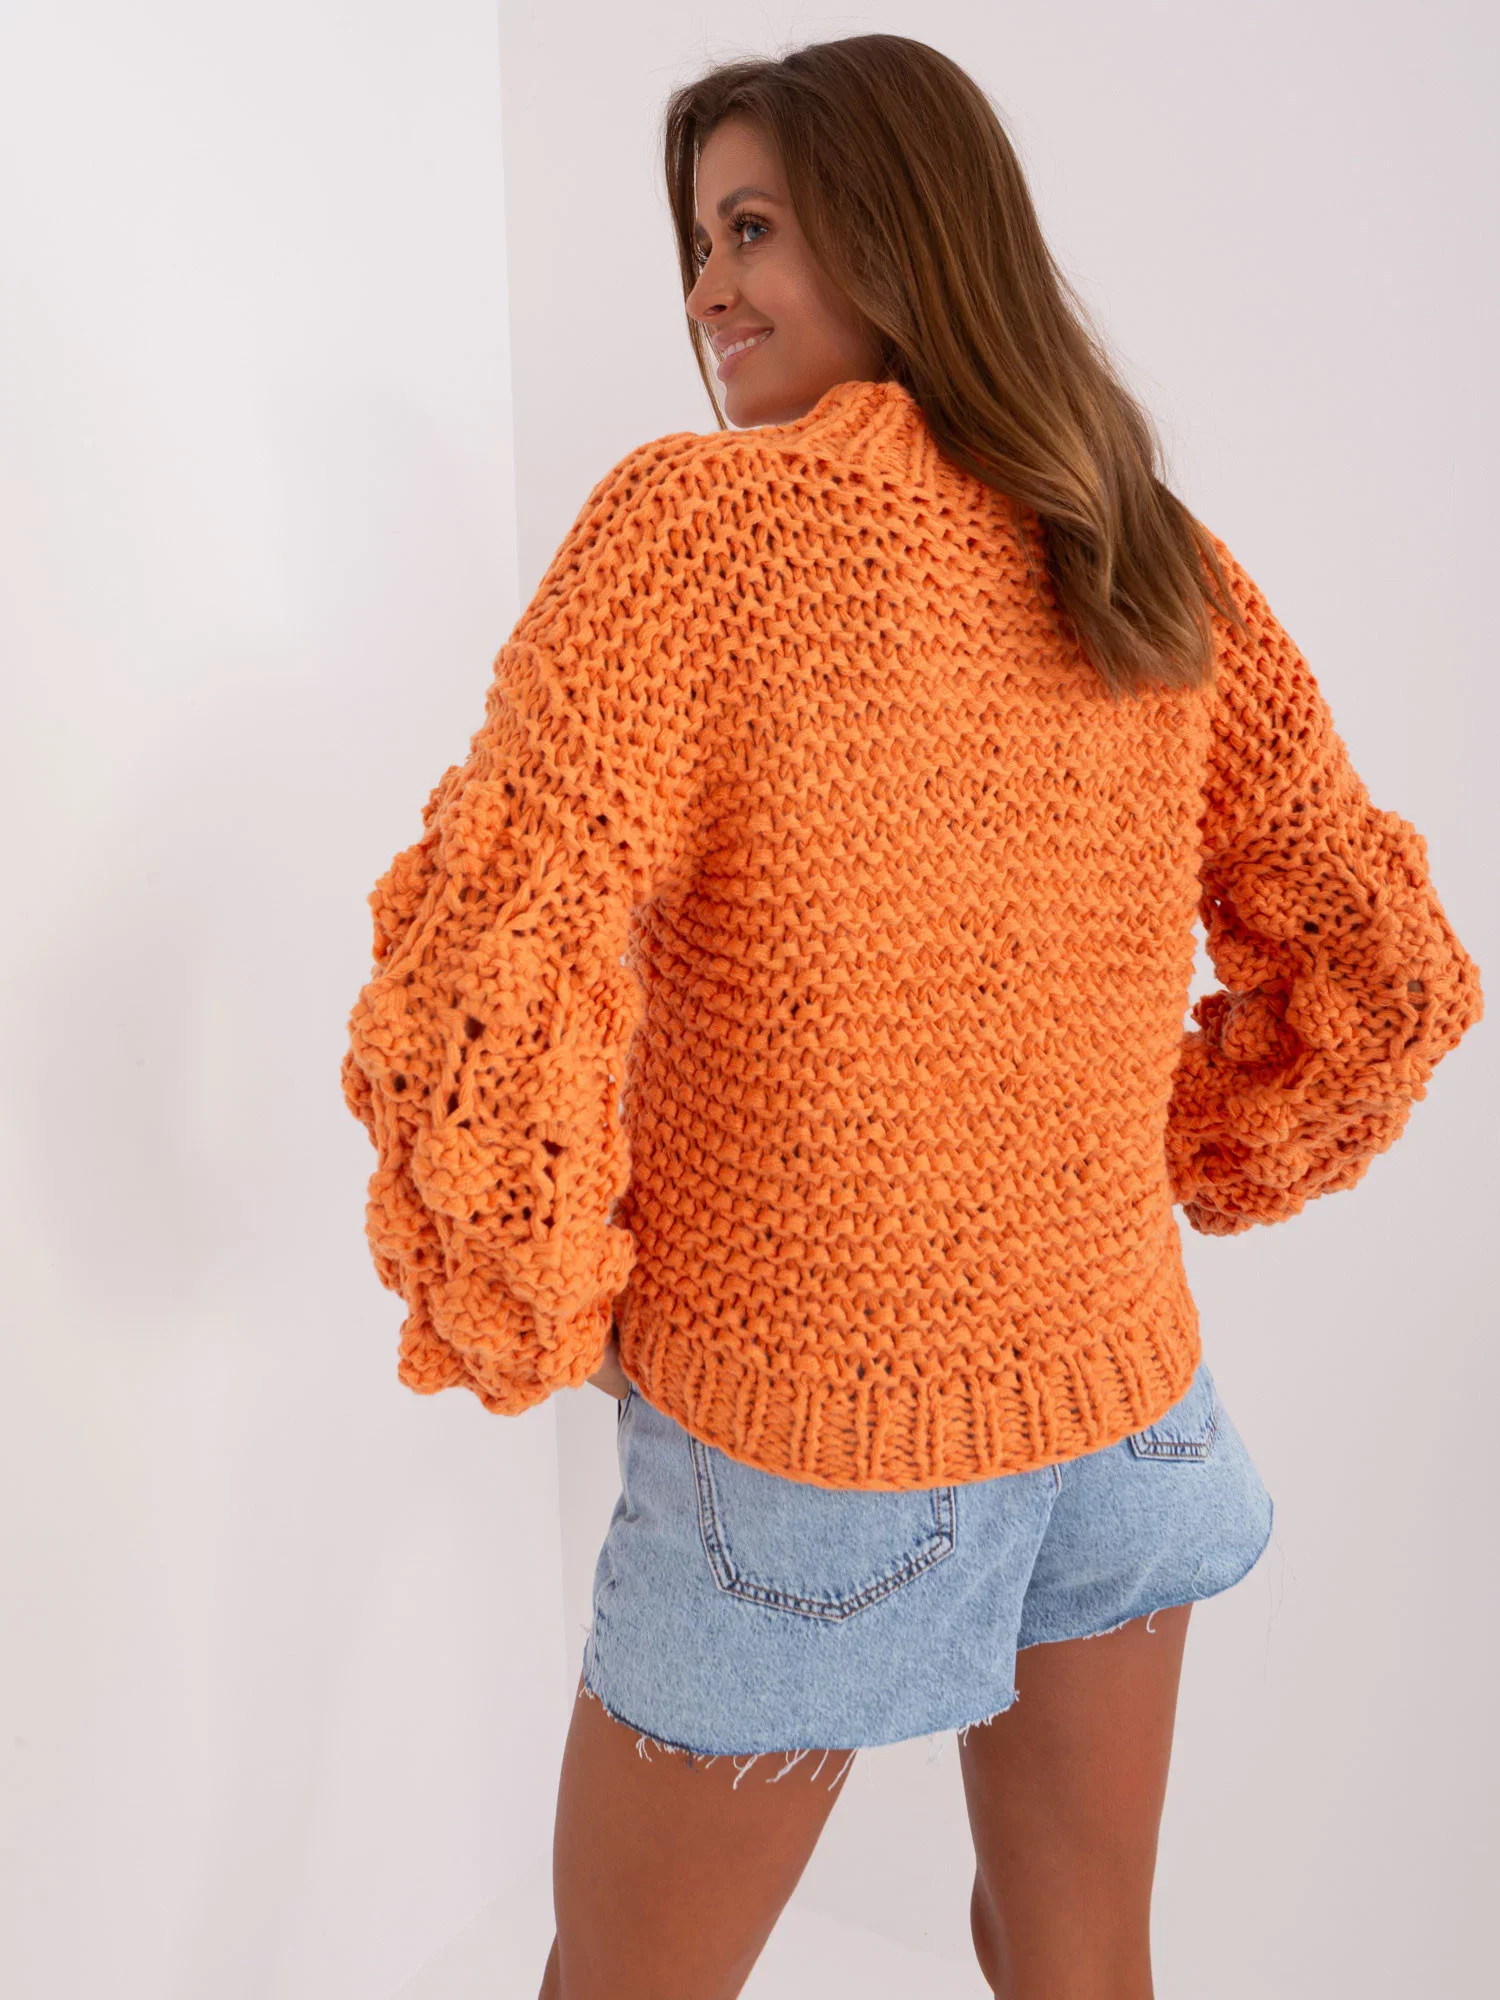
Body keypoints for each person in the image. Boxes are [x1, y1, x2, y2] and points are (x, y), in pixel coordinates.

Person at [338, 34, 1484, 2000]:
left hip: (807, 1433)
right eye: (701, 239)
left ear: (904, 235)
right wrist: (1155, 1152)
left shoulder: (697, 535)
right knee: (1081, 1957)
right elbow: (1383, 965)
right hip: (1131, 1417)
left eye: (753, 227)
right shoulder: (1141, 548)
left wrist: (547, 1287)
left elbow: (483, 963)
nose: (708, 286)